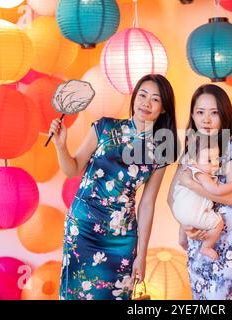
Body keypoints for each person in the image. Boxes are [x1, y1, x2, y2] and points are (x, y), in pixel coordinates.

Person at [50, 74, 177, 300]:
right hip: (83, 228)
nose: (146, 103)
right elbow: (73, 168)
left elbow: (147, 204)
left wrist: (141, 254)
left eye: (155, 99)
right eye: (142, 95)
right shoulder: (104, 127)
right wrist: (61, 146)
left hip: (121, 237)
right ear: (134, 98)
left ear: (164, 108)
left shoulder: (161, 149)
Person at [168, 84, 232, 300]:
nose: (206, 119)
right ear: (193, 115)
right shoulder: (191, 148)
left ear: (224, 115)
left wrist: (193, 185)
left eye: (214, 113)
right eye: (200, 112)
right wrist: (185, 226)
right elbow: (171, 197)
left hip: (226, 245)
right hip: (199, 241)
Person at [171, 138, 232, 260]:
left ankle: (189, 238)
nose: (215, 163)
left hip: (180, 213)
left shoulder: (188, 171)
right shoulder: (201, 175)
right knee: (218, 223)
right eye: (209, 160)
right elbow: (217, 190)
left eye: (217, 159)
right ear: (194, 162)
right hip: (191, 216)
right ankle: (206, 246)